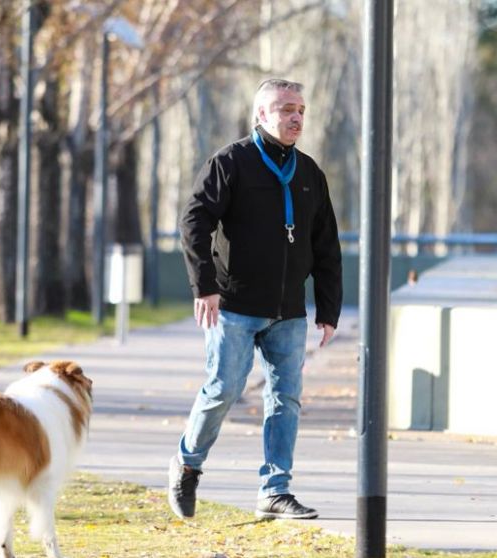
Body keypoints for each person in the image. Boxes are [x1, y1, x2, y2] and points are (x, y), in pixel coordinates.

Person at [168, 78, 342, 521]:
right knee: (223, 390)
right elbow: (194, 223)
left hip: (288, 312)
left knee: (286, 398)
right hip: (233, 306)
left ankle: (275, 490)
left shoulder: (309, 173)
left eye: (301, 109)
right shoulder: (231, 162)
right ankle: (187, 465)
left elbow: (326, 245)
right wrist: (205, 286)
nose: (296, 117)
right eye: (286, 109)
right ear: (261, 114)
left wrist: (328, 309)